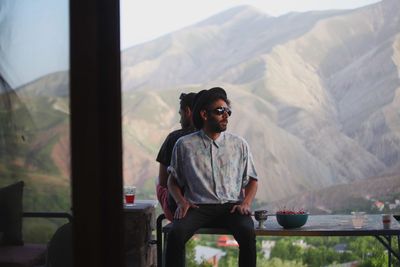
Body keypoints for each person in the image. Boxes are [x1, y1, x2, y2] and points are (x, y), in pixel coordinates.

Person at [166, 87, 258, 267]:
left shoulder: (239, 144)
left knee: (247, 232)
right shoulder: (184, 145)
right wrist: (181, 202)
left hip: (231, 208)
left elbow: (253, 180)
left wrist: (245, 203)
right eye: (219, 111)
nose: (226, 116)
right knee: (175, 234)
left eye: (227, 111)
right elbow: (172, 181)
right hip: (198, 207)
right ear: (204, 114)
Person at [156, 92, 197, 221]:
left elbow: (163, 182)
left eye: (181, 114)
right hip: (205, 207)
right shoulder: (211, 137)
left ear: (188, 112)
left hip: (177, 209)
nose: (180, 120)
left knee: (158, 181)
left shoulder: (174, 138)